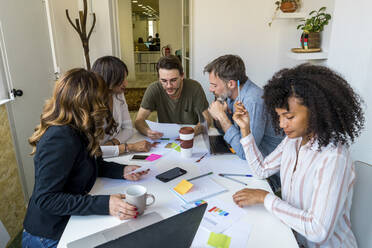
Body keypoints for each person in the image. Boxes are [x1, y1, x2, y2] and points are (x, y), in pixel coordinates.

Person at [232, 64, 364, 247]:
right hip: (293, 239)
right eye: (279, 116)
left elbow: (318, 230)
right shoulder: (293, 141)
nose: (282, 124)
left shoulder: (333, 158)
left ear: (315, 111)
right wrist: (245, 130)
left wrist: (265, 198)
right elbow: (261, 170)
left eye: (289, 117)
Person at [22, 69, 149, 248]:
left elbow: (88, 163)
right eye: (101, 99)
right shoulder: (60, 137)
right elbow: (46, 199)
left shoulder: (77, 127)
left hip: (68, 222)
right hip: (48, 236)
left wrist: (122, 171)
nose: (105, 104)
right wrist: (106, 204)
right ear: (86, 102)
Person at [205, 54, 283, 160]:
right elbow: (226, 135)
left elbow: (247, 153)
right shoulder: (230, 96)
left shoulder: (253, 101)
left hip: (268, 169)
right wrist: (220, 117)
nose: (210, 89)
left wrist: (222, 117)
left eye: (214, 85)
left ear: (231, 84)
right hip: (249, 163)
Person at [135, 55, 211, 140]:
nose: (169, 86)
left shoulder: (195, 87)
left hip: (190, 136)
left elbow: (207, 120)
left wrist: (191, 133)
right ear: (158, 78)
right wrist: (147, 131)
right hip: (165, 138)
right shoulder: (153, 89)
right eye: (163, 81)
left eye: (173, 80)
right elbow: (139, 121)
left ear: (182, 76)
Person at [91, 56, 151, 158]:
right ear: (108, 80)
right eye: (121, 80)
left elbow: (128, 129)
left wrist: (113, 143)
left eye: (125, 78)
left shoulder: (118, 94)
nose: (126, 83)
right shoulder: (89, 104)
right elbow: (92, 153)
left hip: (113, 152)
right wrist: (127, 147)